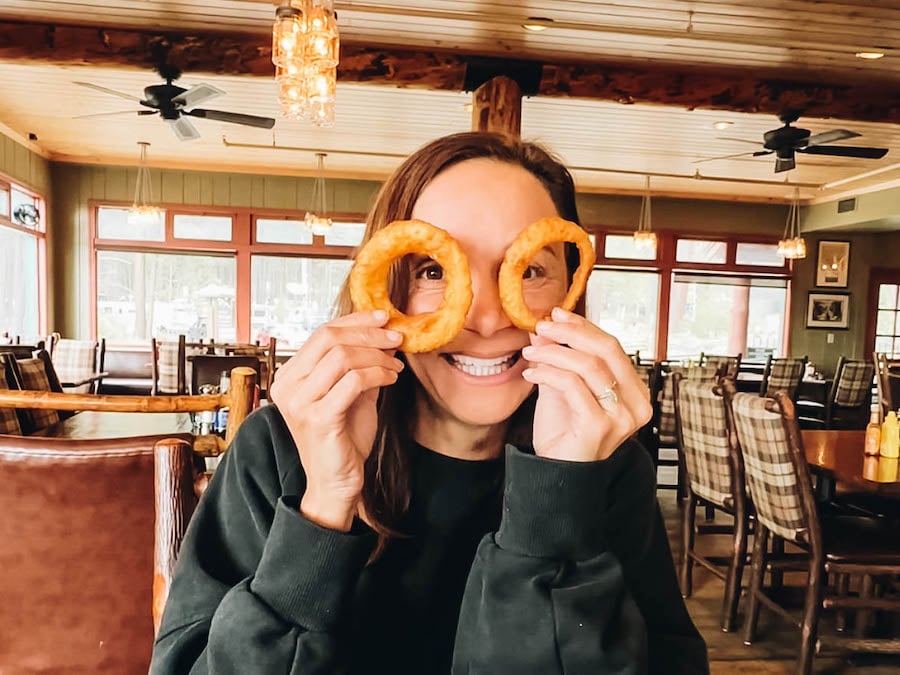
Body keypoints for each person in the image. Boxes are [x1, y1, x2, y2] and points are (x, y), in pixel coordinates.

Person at [150, 132, 709, 674]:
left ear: (570, 292)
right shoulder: (281, 448)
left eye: (529, 269)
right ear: (386, 288)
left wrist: (559, 501)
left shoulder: (607, 468)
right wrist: (323, 506)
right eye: (435, 271)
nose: (487, 317)